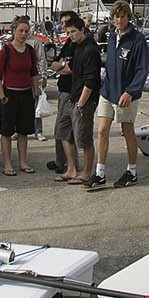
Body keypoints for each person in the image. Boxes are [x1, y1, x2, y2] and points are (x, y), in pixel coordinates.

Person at [87, 0, 147, 190]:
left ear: (128, 17)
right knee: (102, 130)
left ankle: (132, 171)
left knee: (127, 130)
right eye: (116, 17)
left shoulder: (137, 40)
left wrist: (131, 91)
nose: (119, 20)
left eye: (122, 16)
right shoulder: (112, 35)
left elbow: (142, 69)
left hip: (126, 93)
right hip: (108, 91)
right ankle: (100, 173)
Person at [0, 15, 43, 175]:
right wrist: (2, 97)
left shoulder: (30, 51)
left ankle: (23, 162)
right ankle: (8, 164)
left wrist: (36, 90)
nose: (23, 34)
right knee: (6, 131)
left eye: (26, 31)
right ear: (14, 31)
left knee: (24, 131)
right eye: (21, 30)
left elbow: (34, 72)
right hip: (10, 95)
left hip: (26, 95)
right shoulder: (6, 51)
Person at [68, 18, 103, 184]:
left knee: (84, 137)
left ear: (82, 30)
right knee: (79, 136)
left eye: (73, 31)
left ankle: (87, 172)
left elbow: (91, 80)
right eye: (68, 32)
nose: (71, 35)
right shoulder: (79, 48)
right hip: (76, 96)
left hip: (86, 101)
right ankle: (84, 171)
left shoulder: (90, 49)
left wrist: (81, 103)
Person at [48, 10, 80, 174]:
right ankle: (61, 161)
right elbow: (54, 63)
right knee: (61, 130)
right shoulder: (68, 43)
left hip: (72, 91)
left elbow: (70, 69)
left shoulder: (80, 45)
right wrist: (60, 66)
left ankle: (70, 164)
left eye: (67, 23)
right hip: (63, 89)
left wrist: (61, 67)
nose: (64, 26)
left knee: (68, 130)